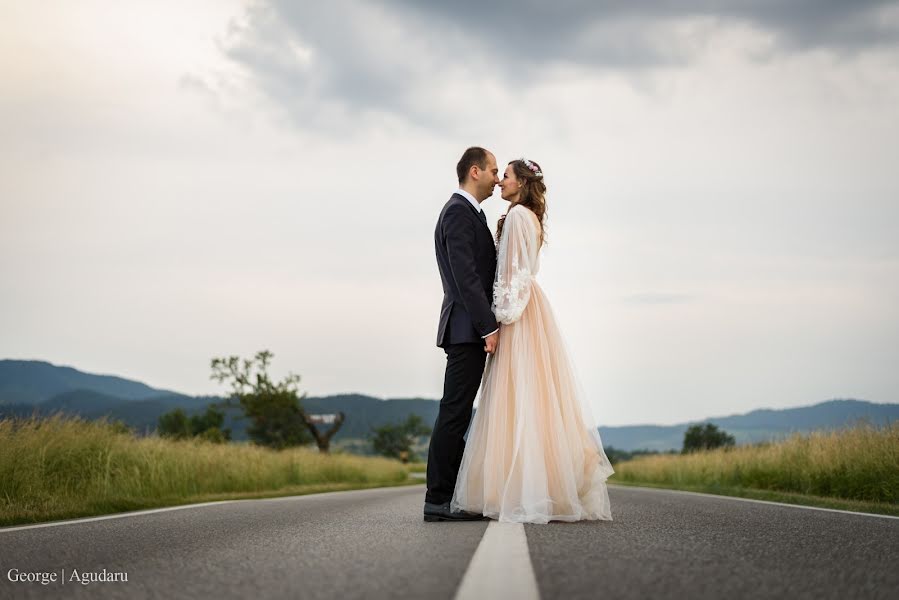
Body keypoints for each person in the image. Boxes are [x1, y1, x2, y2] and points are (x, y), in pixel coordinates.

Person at [450, 158, 615, 523]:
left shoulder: (518, 217)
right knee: (533, 398)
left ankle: (519, 486)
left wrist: (499, 319)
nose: (500, 181)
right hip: (530, 306)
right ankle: (536, 483)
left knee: (516, 398)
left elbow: (511, 275)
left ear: (522, 183)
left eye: (505, 175)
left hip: (518, 311)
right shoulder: (530, 217)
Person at [424, 147, 499, 522]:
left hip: (470, 328)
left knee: (458, 412)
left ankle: (448, 496)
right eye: (493, 171)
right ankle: (437, 499)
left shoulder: (472, 213)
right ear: (475, 171)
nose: (498, 178)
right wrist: (489, 326)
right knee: (454, 412)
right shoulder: (457, 212)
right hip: (466, 328)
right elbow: (466, 277)